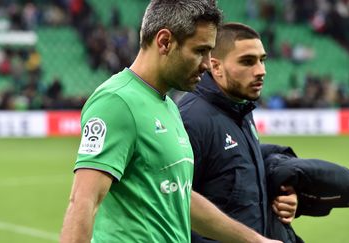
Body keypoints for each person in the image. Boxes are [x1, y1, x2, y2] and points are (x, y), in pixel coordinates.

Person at [60, 1, 281, 243]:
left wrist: (255, 240)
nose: (208, 64)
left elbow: (180, 195)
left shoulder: (169, 106)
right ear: (165, 41)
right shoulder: (117, 101)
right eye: (200, 51)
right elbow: (83, 201)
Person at [178, 23, 298, 242]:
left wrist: (279, 199)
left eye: (262, 60)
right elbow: (176, 202)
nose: (261, 71)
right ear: (216, 67)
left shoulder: (241, 109)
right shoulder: (191, 120)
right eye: (247, 61)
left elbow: (233, 184)